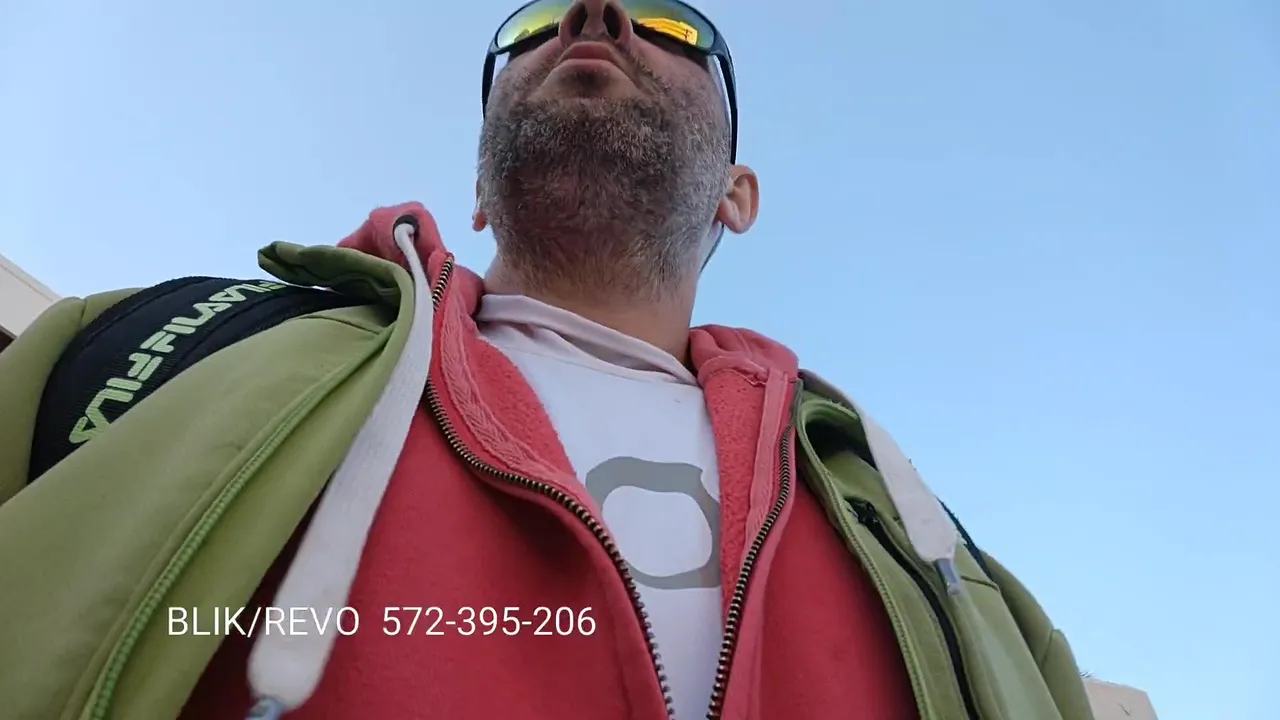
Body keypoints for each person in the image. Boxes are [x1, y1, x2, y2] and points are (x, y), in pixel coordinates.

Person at [0, 0, 1097, 718]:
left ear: (736, 194)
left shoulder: (928, 547)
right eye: (530, 25)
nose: (593, 13)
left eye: (669, 26)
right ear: (480, 192)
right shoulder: (141, 353)